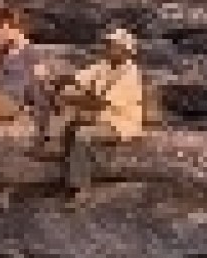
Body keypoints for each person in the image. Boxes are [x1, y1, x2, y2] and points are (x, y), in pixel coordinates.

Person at [55, 27, 145, 192]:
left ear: (125, 51)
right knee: (70, 128)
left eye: (113, 45)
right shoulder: (104, 65)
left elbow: (100, 103)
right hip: (102, 117)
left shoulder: (130, 74)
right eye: (108, 44)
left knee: (83, 135)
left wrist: (69, 99)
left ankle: (79, 187)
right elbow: (78, 78)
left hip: (120, 123)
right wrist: (58, 81)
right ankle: (67, 175)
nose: (108, 48)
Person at [0, 7, 51, 144]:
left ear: (16, 29)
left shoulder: (30, 52)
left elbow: (41, 86)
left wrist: (42, 126)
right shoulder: (4, 51)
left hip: (9, 101)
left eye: (2, 29)